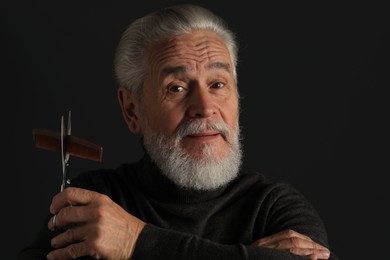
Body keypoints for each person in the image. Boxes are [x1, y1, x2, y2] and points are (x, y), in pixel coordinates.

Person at [18, 4, 339, 260]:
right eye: (177, 87)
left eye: (217, 84)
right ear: (132, 110)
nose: (204, 106)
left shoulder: (273, 206)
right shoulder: (97, 202)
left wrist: (137, 243)